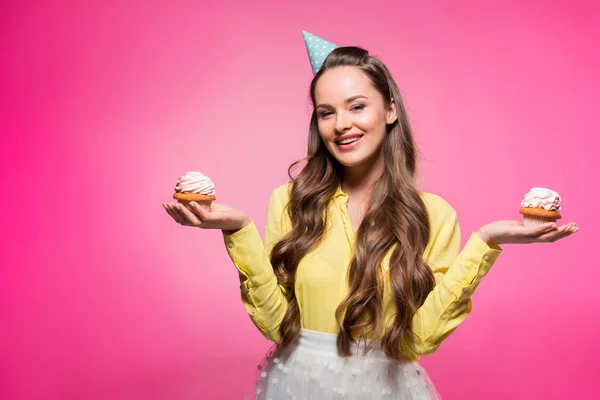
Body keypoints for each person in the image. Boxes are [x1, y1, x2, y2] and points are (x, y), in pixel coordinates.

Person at [163, 33, 578, 399]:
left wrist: (485, 242)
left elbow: (419, 339)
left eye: (356, 106)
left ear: (390, 111)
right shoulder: (290, 202)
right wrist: (239, 230)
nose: (341, 124)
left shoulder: (432, 215)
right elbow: (277, 326)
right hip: (298, 389)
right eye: (327, 112)